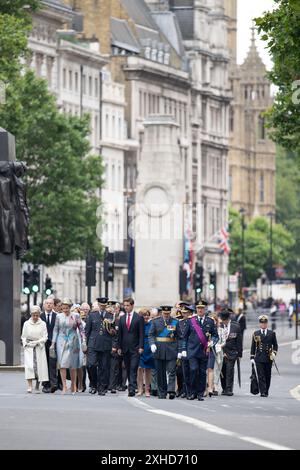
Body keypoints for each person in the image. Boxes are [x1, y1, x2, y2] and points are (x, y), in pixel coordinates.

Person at [182, 300, 218, 401]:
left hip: (203, 351)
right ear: (196, 309)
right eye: (198, 308)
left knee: (202, 373)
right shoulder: (191, 321)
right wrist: (183, 349)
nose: (200, 310)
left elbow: (215, 335)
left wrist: (212, 343)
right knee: (193, 370)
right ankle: (192, 392)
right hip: (192, 351)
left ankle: (200, 393)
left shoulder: (210, 321)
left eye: (202, 308)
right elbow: (184, 336)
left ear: (205, 309)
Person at [50, 298, 86, 395]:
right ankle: (64, 386)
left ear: (70, 307)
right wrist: (53, 343)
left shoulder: (76, 316)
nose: (65, 310)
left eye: (67, 308)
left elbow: (81, 329)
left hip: (73, 340)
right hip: (61, 341)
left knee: (73, 364)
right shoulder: (58, 316)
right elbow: (55, 330)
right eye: (63, 308)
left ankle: (74, 385)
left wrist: (84, 341)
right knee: (62, 364)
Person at [85, 297, 116, 396]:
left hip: (105, 344)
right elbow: (87, 331)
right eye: (101, 306)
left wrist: (112, 332)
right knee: (91, 365)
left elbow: (114, 333)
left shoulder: (110, 316)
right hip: (93, 344)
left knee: (103, 367)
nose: (102, 307)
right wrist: (86, 344)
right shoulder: (92, 315)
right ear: (98, 305)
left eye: (104, 306)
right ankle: (93, 384)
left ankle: (101, 387)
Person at [149, 306, 181, 399]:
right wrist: (152, 344)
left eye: (168, 313)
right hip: (159, 349)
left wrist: (179, 350)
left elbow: (179, 336)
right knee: (160, 372)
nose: (166, 315)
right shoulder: (155, 321)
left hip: (172, 349)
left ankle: (171, 390)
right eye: (164, 313)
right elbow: (151, 335)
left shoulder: (175, 321)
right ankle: (161, 391)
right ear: (161, 313)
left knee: (171, 371)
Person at [117, 297, 144, 397]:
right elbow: (120, 334)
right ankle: (132, 385)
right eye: (124, 305)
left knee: (133, 368)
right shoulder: (122, 318)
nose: (126, 307)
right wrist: (119, 347)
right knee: (128, 368)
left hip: (135, 348)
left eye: (128, 305)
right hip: (125, 348)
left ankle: (131, 388)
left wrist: (141, 346)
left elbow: (141, 333)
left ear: (132, 305)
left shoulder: (138, 318)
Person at [21, 305, 49, 393]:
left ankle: (37, 385)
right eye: (34, 315)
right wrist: (26, 343)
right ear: (31, 314)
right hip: (29, 347)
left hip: (39, 347)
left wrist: (38, 342)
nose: (35, 317)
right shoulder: (26, 323)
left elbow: (45, 337)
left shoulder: (43, 323)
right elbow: (23, 336)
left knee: (39, 367)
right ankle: (29, 386)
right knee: (30, 367)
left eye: (37, 315)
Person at [250, 315, 278, 397]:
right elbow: (253, 346)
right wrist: (252, 357)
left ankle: (266, 390)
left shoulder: (271, 333)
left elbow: (275, 345)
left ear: (267, 324)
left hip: (268, 358)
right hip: (259, 357)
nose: (263, 325)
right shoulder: (256, 333)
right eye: (262, 323)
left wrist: (274, 353)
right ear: (260, 324)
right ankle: (262, 391)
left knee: (267, 375)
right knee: (261, 375)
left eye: (265, 323)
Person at [219, 309, 243, 396]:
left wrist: (239, 354)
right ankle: (224, 388)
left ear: (228, 319)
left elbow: (239, 341)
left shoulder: (235, 326)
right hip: (221, 352)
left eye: (225, 320)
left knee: (230, 371)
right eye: (223, 320)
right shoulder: (220, 326)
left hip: (232, 352)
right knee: (222, 371)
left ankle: (229, 389)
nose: (224, 322)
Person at [41, 297, 58, 393]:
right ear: (44, 305)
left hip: (53, 344)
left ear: (53, 305)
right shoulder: (40, 316)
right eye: (47, 303)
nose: (49, 305)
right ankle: (45, 384)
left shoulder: (57, 316)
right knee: (44, 364)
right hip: (43, 344)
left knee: (52, 363)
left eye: (51, 303)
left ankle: (54, 384)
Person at [137, 308, 155, 397]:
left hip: (149, 348)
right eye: (144, 315)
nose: (146, 316)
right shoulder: (138, 324)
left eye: (147, 314)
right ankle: (140, 389)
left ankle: (147, 389)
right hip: (140, 347)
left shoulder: (152, 324)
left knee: (148, 370)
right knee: (139, 369)